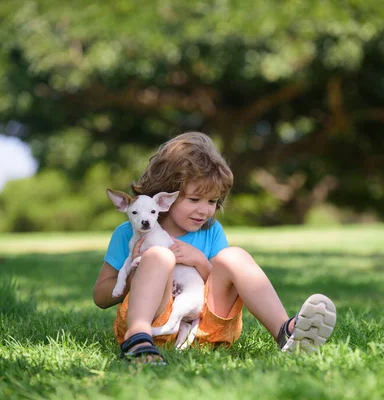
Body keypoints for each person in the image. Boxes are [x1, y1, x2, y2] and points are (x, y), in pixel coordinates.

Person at [93, 132, 336, 364]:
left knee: (234, 256)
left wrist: (199, 261)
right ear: (165, 195)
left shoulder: (211, 232)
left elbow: (220, 284)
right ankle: (137, 339)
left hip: (207, 329)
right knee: (159, 255)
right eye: (194, 199)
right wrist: (135, 274)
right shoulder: (128, 233)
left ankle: (285, 331)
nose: (205, 210)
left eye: (212, 201)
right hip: (154, 325)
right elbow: (101, 297)